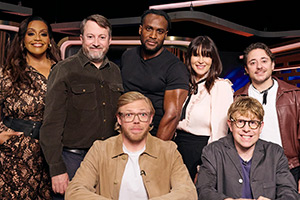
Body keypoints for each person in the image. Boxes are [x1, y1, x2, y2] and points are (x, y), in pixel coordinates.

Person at [40, 14, 123, 198]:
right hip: (72, 160)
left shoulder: (116, 72)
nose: (96, 43)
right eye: (90, 36)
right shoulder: (64, 69)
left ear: (109, 40)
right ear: (81, 39)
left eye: (102, 37)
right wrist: (56, 169)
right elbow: (51, 124)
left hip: (107, 160)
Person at [65, 91, 197, 199]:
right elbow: (75, 191)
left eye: (143, 115)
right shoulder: (101, 149)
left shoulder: (168, 151)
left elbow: (187, 193)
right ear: (119, 119)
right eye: (129, 115)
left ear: (150, 118)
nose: (136, 121)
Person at [0, 16, 61, 199]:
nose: (37, 39)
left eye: (43, 34)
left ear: (49, 40)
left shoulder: (62, 70)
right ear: (22, 40)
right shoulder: (10, 72)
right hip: (16, 154)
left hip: (51, 153)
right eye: (31, 33)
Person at [196, 96, 299, 200]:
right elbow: (204, 190)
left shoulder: (275, 153)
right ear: (230, 125)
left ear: (261, 127)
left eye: (253, 123)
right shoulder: (213, 151)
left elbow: (289, 192)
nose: (246, 129)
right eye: (240, 122)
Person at [234, 42, 300, 192]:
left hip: (289, 168)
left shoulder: (294, 96)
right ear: (246, 69)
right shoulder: (237, 98)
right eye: (253, 62)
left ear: (273, 65)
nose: (259, 66)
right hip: (249, 170)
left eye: (264, 61)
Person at [121, 9, 189, 140]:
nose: (153, 35)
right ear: (140, 29)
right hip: (123, 133)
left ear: (165, 35)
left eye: (160, 31)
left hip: (153, 136)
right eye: (149, 29)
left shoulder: (175, 67)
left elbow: (172, 115)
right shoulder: (127, 56)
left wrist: (154, 151)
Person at [175, 36, 233, 180]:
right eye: (196, 55)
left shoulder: (221, 86)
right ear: (189, 58)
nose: (201, 61)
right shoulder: (182, 84)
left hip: (201, 151)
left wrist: (206, 164)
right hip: (177, 149)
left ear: (213, 60)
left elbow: (220, 133)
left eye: (206, 56)